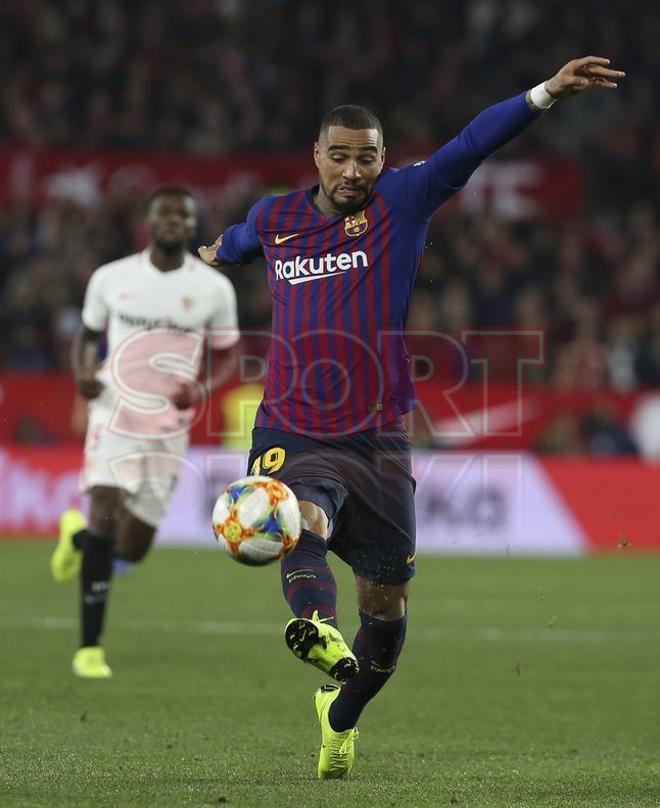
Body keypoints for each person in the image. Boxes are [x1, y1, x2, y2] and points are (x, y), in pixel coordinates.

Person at [198, 56, 624, 779]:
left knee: (388, 612)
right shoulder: (277, 219)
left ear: (384, 159)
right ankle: (317, 629)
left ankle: (341, 714)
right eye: (339, 157)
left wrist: (546, 93)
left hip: (381, 436)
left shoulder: (402, 202)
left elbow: (471, 144)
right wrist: (208, 253)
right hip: (291, 425)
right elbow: (235, 243)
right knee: (295, 514)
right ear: (317, 157)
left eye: (367, 157)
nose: (352, 170)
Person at [51, 187, 239, 678]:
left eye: (183, 214)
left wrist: (200, 388)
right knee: (104, 514)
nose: (174, 221)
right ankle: (89, 648)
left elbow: (227, 353)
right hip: (114, 413)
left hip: (168, 426)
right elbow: (87, 338)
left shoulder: (214, 289)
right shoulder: (111, 278)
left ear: (194, 225)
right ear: (148, 222)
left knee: (132, 546)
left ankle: (76, 544)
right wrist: (82, 376)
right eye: (165, 213)